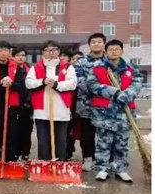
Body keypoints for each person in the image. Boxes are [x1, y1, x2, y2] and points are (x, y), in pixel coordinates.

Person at [87, 40, 142, 183]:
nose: (114, 52)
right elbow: (92, 85)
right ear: (106, 51)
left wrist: (127, 94)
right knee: (103, 143)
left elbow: (137, 84)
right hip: (104, 113)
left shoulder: (131, 68)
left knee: (122, 144)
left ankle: (121, 169)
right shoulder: (97, 67)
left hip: (125, 113)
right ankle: (102, 169)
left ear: (122, 51)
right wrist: (114, 92)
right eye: (111, 49)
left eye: (117, 49)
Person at [25, 40, 77, 161]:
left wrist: (57, 84)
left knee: (60, 139)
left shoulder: (67, 67)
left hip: (61, 109)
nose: (51, 53)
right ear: (43, 53)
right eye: (47, 50)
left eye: (54, 50)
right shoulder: (36, 67)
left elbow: (72, 84)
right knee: (43, 139)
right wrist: (42, 82)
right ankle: (44, 163)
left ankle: (60, 164)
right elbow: (29, 83)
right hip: (42, 110)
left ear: (59, 51)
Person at [74, 33, 107, 171]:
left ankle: (103, 161)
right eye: (93, 42)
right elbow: (78, 79)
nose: (96, 44)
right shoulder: (82, 62)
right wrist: (97, 89)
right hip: (86, 104)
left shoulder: (109, 61)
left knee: (105, 134)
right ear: (89, 45)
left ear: (104, 43)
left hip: (106, 105)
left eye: (99, 41)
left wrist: (104, 91)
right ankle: (88, 158)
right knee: (87, 134)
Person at [11, 46, 33, 161]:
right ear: (13, 57)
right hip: (14, 104)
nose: (21, 57)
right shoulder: (10, 69)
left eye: (23, 55)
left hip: (28, 105)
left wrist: (29, 102)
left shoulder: (30, 70)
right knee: (15, 130)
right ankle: (15, 152)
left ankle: (25, 153)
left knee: (27, 130)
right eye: (18, 55)